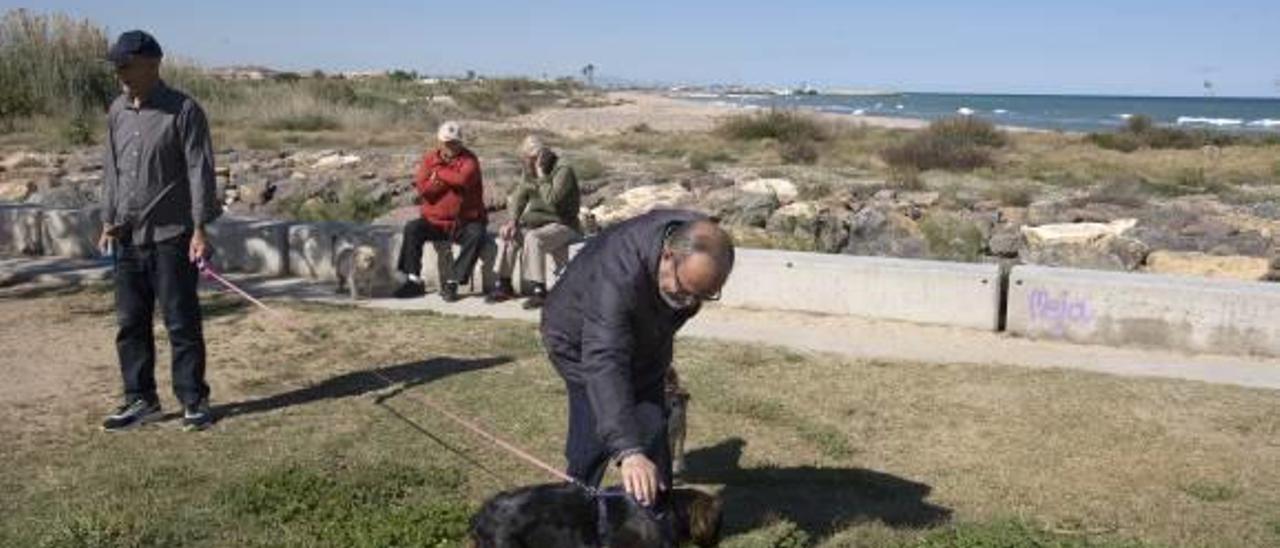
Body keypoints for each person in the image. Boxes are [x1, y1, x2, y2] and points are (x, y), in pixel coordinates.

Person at [539, 209, 735, 510]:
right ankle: (571, 514)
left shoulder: (698, 240)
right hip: (577, 341)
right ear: (668, 256)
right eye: (685, 290)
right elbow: (604, 360)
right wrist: (628, 451)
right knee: (594, 431)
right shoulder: (617, 275)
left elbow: (676, 300)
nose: (690, 303)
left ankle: (656, 523)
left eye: (703, 296)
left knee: (652, 428)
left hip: (644, 344)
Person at [96, 30, 221, 432]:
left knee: (181, 322)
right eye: (116, 66)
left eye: (126, 65)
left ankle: (192, 399)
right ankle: (140, 399)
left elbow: (199, 172)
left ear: (152, 64)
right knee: (130, 322)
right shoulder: (116, 110)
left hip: (172, 235)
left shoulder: (183, 110)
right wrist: (107, 220)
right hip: (127, 236)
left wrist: (200, 229)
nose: (120, 73)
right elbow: (112, 170)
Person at [393, 121, 489, 302]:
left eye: (454, 142)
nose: (450, 146)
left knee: (477, 234)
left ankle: (452, 282)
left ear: (461, 143)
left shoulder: (470, 160)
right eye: (447, 142)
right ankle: (413, 280)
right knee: (412, 228)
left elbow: (462, 180)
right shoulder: (429, 158)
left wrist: (438, 175)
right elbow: (423, 189)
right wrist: (444, 180)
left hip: (464, 222)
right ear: (439, 142)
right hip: (434, 221)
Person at [487, 135, 581, 309]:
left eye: (530, 158)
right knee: (509, 234)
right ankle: (504, 284)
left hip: (563, 224)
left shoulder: (563, 170)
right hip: (538, 222)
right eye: (526, 158)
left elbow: (552, 199)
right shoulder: (528, 170)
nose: (526, 162)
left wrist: (541, 174)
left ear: (541, 156)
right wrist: (512, 221)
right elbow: (519, 197)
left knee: (534, 238)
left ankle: (539, 290)